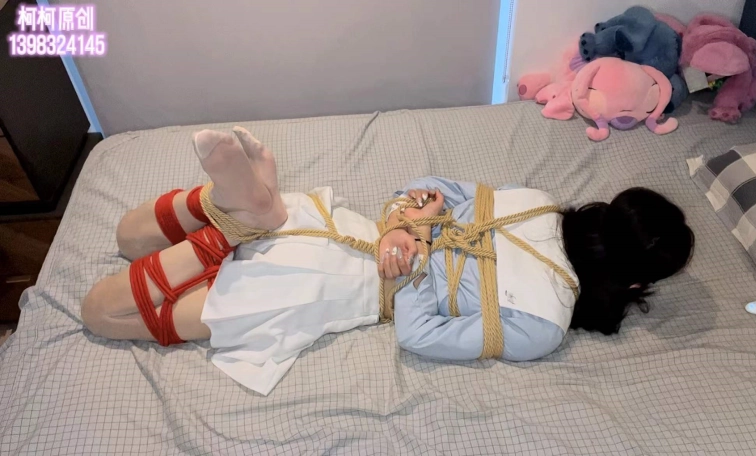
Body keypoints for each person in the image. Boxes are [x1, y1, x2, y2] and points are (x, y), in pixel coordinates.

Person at [81, 127, 694, 395]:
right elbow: (418, 334)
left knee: (129, 236)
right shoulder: (544, 323)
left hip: (341, 229)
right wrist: (412, 252)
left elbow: (430, 189)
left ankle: (233, 209)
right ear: (632, 282)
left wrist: (405, 227)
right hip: (324, 287)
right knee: (102, 312)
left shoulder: (537, 203)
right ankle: (237, 224)